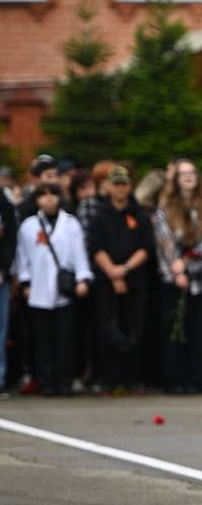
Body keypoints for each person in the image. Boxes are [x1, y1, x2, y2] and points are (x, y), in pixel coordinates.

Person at [13, 183, 93, 395]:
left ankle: (64, 382)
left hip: (64, 290)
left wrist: (82, 278)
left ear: (59, 198)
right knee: (42, 340)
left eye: (52, 195)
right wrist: (25, 282)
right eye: (43, 195)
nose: (48, 199)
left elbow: (79, 253)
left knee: (65, 339)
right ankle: (46, 382)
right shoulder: (29, 226)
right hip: (38, 290)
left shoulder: (71, 223)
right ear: (37, 199)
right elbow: (23, 258)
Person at [154, 158, 202, 394]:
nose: (188, 177)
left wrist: (188, 264)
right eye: (183, 174)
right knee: (174, 330)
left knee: (199, 331)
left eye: (192, 172)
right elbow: (164, 243)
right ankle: (174, 379)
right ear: (175, 179)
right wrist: (176, 269)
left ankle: (196, 379)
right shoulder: (166, 209)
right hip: (174, 278)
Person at [87, 166, 154, 394]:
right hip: (106, 281)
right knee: (107, 329)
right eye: (116, 184)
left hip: (135, 281)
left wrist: (124, 269)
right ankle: (109, 379)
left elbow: (146, 248)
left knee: (135, 329)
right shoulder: (99, 215)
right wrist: (112, 272)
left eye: (123, 184)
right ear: (108, 187)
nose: (120, 188)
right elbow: (95, 248)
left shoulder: (140, 215)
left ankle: (133, 379)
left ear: (130, 186)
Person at [0, 185, 15, 396]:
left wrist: (3, 268)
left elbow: (11, 238)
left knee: (0, 330)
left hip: (1, 277)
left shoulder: (3, 202)